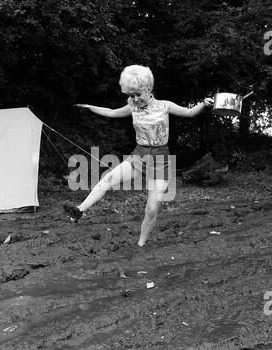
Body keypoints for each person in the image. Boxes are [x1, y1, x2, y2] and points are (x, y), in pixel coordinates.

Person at [64, 65, 213, 246]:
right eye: (131, 95)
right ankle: (79, 210)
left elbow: (189, 113)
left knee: (151, 208)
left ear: (148, 88)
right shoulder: (132, 106)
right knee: (108, 179)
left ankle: (140, 245)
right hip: (139, 154)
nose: (135, 99)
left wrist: (205, 103)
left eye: (138, 94)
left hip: (160, 159)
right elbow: (112, 112)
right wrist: (89, 107)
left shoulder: (165, 106)